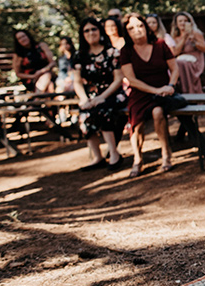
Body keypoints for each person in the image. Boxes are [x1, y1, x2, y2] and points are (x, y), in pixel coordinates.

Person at [120, 12, 179, 177]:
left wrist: (170, 85)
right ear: (127, 32)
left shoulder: (160, 45)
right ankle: (138, 159)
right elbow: (131, 79)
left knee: (158, 112)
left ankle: (166, 154)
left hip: (163, 91)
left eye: (140, 26)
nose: (137, 30)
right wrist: (155, 90)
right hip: (140, 92)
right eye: (131, 28)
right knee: (136, 122)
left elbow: (174, 69)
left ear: (146, 27)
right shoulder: (126, 51)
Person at [71, 17, 126, 171]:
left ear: (100, 31)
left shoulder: (111, 52)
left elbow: (118, 79)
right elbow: (77, 81)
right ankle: (97, 157)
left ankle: (114, 154)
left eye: (93, 29)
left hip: (113, 93)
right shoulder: (79, 56)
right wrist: (84, 99)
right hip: (92, 95)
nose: (90, 33)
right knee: (83, 114)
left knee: (102, 110)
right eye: (86, 30)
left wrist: (102, 97)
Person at [169, 11, 205, 94]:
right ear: (176, 24)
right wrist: (184, 37)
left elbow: (204, 49)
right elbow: (175, 53)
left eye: (185, 21)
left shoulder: (196, 33)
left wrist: (194, 41)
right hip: (181, 62)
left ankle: (188, 91)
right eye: (180, 21)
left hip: (195, 62)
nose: (183, 23)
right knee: (176, 63)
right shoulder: (175, 37)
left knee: (180, 63)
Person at [12, 29, 55, 93]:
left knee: (47, 78)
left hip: (46, 73)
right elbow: (18, 73)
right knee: (49, 85)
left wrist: (41, 71)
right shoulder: (18, 55)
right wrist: (33, 76)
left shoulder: (42, 46)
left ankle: (37, 99)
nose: (23, 39)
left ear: (28, 36)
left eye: (23, 36)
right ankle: (38, 98)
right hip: (31, 79)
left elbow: (53, 63)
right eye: (19, 38)